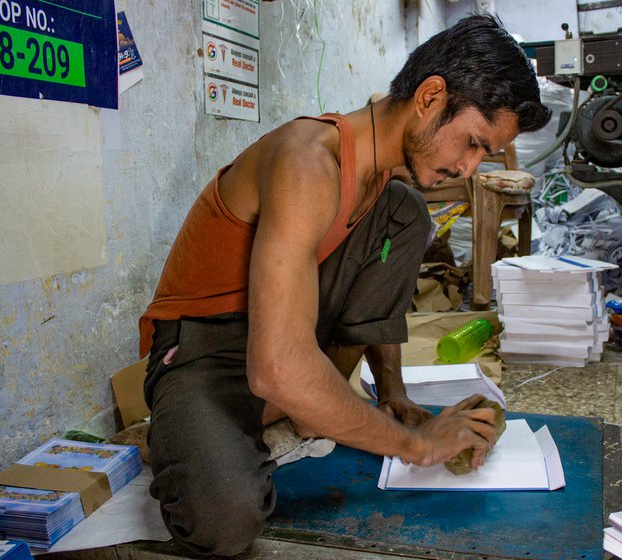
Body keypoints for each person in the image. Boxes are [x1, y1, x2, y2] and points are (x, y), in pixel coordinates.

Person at [138, 12, 550, 557]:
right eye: (472, 143)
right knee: (224, 520)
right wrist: (415, 444)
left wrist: (396, 398)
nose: (470, 168)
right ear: (430, 97)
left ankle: (309, 402)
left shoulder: (385, 184)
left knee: (406, 213)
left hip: (291, 333)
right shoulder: (308, 162)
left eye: (484, 154)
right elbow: (276, 364)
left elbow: (350, 311)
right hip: (204, 349)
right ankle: (235, 416)